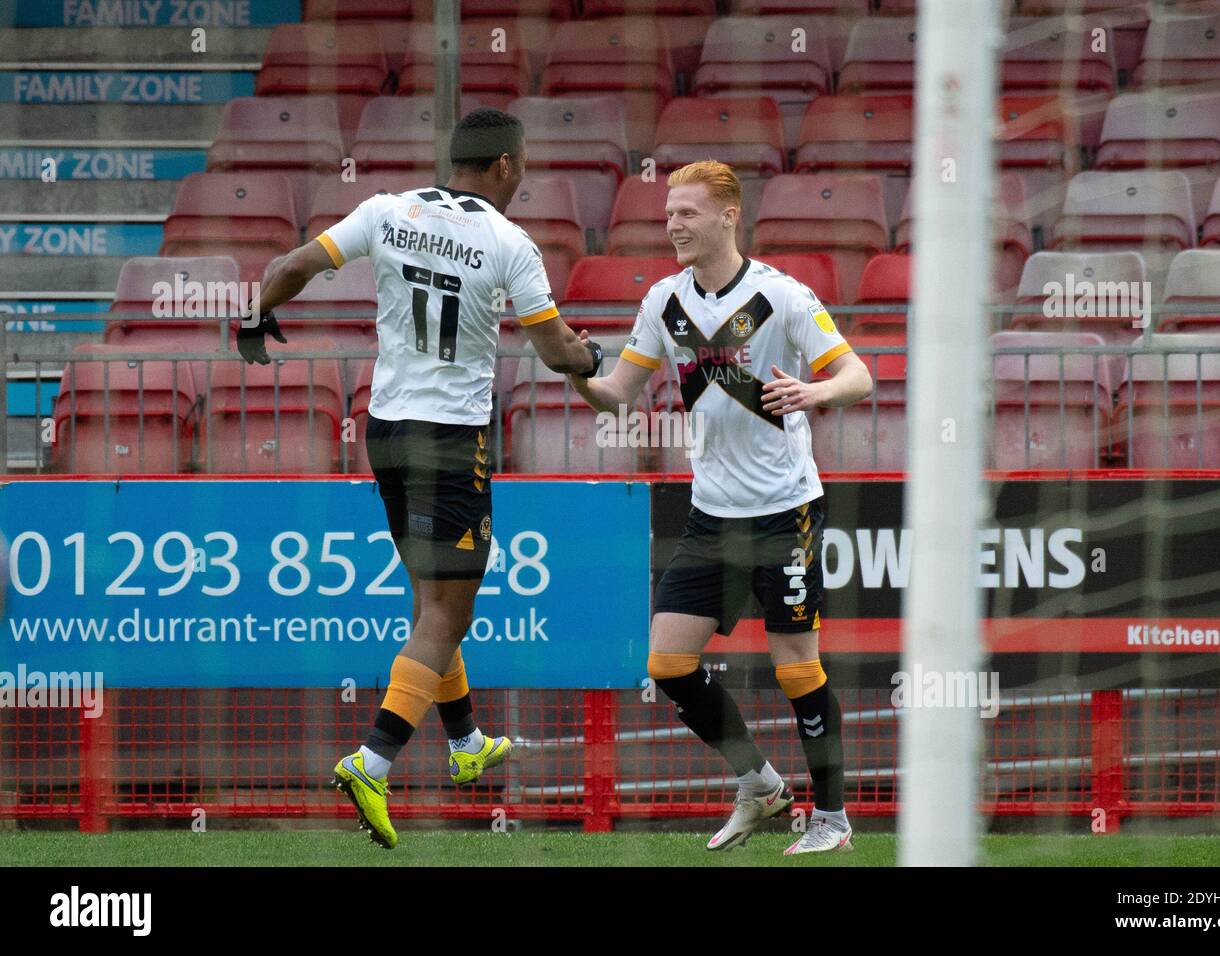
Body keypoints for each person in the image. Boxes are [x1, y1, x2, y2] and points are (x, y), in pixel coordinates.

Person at [238, 108, 603, 849]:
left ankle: (467, 744)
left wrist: (256, 316)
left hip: (386, 430)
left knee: (429, 598)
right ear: (503, 165)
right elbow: (557, 351)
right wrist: (593, 359)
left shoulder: (387, 210)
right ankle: (373, 761)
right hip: (451, 440)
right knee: (448, 612)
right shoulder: (509, 243)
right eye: (523, 164)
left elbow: (290, 268)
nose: (524, 175)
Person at [568, 159, 873, 855]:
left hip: (785, 510)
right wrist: (577, 369)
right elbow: (618, 394)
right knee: (668, 664)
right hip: (711, 514)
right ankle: (761, 784)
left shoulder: (782, 296)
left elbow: (858, 374)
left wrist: (813, 394)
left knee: (798, 666)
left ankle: (832, 820)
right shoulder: (663, 302)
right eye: (669, 212)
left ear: (729, 216)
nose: (673, 224)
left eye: (688, 213)